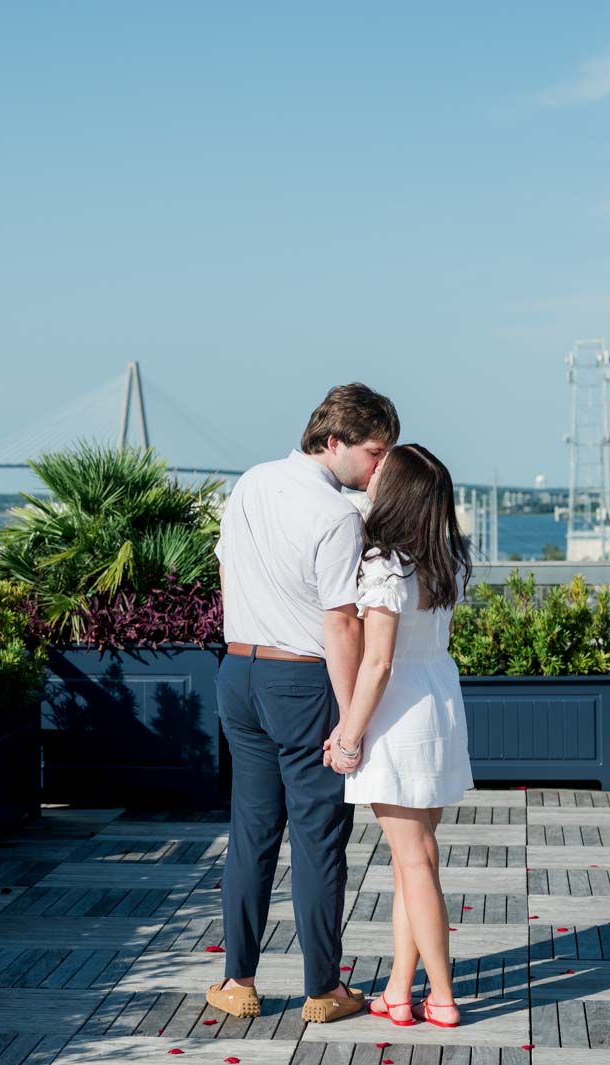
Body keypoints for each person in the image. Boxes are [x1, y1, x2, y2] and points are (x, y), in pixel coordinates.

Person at [205, 383, 399, 1025]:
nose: (379, 467)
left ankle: (238, 981)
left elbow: (228, 573)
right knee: (318, 839)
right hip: (302, 681)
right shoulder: (339, 514)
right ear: (334, 441)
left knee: (251, 833)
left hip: (238, 671)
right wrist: (350, 721)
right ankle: (323, 988)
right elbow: (341, 622)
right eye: (373, 452)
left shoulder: (252, 483)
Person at [327, 443, 474, 1029]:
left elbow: (378, 663)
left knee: (414, 862)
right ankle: (398, 987)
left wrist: (348, 736)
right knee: (414, 862)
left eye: (383, 473)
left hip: (399, 715)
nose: (373, 475)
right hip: (438, 703)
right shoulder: (447, 559)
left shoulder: (387, 564)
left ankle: (440, 996)